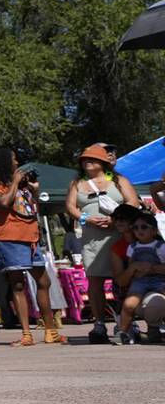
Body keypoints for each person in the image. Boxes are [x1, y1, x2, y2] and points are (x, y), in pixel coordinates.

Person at [0, 147, 64, 346]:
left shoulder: (17, 182)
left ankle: (51, 330)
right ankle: (26, 333)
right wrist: (15, 182)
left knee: (44, 282)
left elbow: (31, 208)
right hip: (8, 236)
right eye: (14, 160)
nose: (17, 164)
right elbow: (4, 203)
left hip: (30, 236)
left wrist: (34, 190)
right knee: (17, 284)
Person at [65, 142, 142, 344]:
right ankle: (99, 324)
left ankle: (126, 322)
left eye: (92, 159)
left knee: (123, 280)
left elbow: (133, 202)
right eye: (84, 160)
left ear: (102, 162)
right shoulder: (77, 183)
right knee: (95, 280)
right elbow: (70, 207)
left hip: (119, 236)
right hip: (91, 239)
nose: (87, 163)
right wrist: (85, 219)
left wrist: (116, 219)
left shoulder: (118, 180)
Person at [114, 207, 165, 344]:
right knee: (129, 305)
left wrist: (153, 269)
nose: (139, 230)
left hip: (159, 280)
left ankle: (158, 328)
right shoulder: (132, 247)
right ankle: (123, 332)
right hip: (139, 281)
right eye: (135, 228)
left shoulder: (161, 246)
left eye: (144, 227)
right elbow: (131, 265)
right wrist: (135, 270)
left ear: (154, 230)